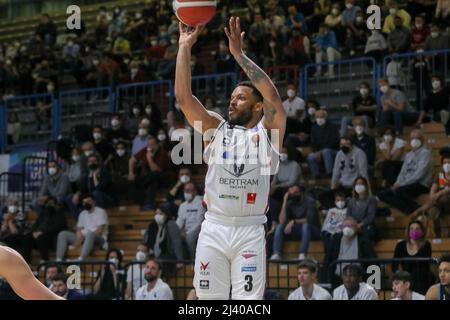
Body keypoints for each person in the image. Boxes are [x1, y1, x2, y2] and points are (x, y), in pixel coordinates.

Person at [175, 17, 286, 300]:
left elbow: (273, 96)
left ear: (257, 106)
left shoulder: (269, 133)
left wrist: (239, 55)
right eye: (232, 97)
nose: (231, 101)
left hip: (249, 232)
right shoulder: (215, 128)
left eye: (240, 98)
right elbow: (184, 98)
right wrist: (184, 47)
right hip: (214, 227)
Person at [377, 129, 433, 215]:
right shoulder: (409, 155)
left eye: (417, 138)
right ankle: (406, 209)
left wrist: (402, 184)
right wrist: (397, 183)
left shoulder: (425, 153)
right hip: (405, 185)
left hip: (421, 184)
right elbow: (403, 172)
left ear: (422, 139)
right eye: (412, 138)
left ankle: (416, 208)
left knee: (399, 190)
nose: (414, 140)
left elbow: (419, 175)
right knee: (382, 194)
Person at [270, 185, 321, 261]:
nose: (293, 195)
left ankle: (302, 254)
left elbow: (310, 219)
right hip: (298, 230)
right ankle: (276, 254)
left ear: (301, 193)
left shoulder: (310, 201)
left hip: (313, 230)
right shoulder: (290, 203)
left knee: (305, 226)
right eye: (291, 193)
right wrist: (284, 201)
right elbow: (281, 221)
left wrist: (293, 221)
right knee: (279, 227)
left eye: (296, 192)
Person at [411, 147, 450, 237]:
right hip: (439, 203)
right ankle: (438, 235)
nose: (447, 165)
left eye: (449, 163)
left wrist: (439, 194)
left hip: (446, 201)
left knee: (443, 197)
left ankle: (419, 210)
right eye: (445, 163)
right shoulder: (440, 174)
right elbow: (433, 187)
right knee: (432, 211)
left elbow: (447, 190)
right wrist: (432, 195)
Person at [56, 194, 108, 261]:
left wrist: (85, 237)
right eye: (84, 202)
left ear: (94, 202)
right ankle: (58, 260)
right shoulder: (82, 214)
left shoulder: (101, 212)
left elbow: (99, 230)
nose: (86, 203)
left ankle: (80, 259)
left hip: (98, 238)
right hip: (84, 238)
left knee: (90, 233)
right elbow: (78, 229)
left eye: (88, 201)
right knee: (63, 234)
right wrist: (78, 238)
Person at [392, 220, 433, 295]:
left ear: (422, 231)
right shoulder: (400, 245)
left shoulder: (426, 245)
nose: (415, 231)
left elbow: (425, 265)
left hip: (421, 278)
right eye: (412, 229)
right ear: (408, 231)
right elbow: (394, 266)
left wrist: (417, 243)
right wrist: (400, 274)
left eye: (417, 229)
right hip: (406, 277)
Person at [22, 196, 67, 263]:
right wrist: (34, 232)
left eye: (52, 203)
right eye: (48, 203)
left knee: (41, 237)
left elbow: (57, 228)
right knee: (27, 237)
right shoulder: (43, 214)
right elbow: (35, 225)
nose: (49, 205)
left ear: (55, 204)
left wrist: (42, 232)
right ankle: (27, 262)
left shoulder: (59, 214)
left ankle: (45, 260)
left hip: (51, 239)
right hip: (38, 238)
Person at [307, 110, 340, 180]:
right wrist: (316, 151)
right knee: (310, 157)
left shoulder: (333, 127)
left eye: (321, 117)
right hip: (319, 151)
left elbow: (335, 142)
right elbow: (313, 142)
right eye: (317, 117)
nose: (319, 119)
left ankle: (330, 174)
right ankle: (317, 176)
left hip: (333, 150)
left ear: (325, 117)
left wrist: (321, 151)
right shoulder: (314, 128)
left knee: (326, 151)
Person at [176, 183, 205, 259]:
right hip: (185, 230)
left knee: (189, 237)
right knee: (174, 234)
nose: (186, 193)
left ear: (195, 191)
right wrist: (177, 231)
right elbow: (179, 221)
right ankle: (180, 260)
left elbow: (199, 223)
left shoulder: (200, 203)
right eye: (185, 191)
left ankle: (193, 260)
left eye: (189, 190)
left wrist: (187, 233)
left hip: (198, 230)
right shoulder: (182, 205)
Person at [321, 191, 347, 265]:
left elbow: (345, 224)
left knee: (334, 241)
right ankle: (329, 263)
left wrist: (338, 227)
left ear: (345, 201)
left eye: (342, 200)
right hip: (328, 232)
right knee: (329, 240)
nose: (340, 202)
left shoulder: (347, 211)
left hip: (340, 233)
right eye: (338, 200)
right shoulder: (331, 210)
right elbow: (327, 224)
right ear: (335, 201)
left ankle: (328, 263)